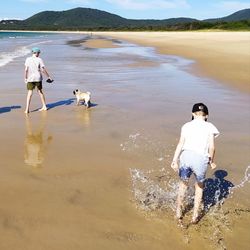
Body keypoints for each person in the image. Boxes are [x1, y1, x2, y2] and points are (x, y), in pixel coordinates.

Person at [171, 103, 219, 224]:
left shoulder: (186, 125)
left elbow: (180, 144)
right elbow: (212, 148)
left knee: (183, 184)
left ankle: (178, 212)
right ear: (206, 115)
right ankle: (195, 215)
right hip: (200, 159)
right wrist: (211, 161)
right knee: (199, 187)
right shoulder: (210, 126)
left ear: (192, 114)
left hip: (185, 156)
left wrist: (174, 160)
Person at [24, 47, 53, 114]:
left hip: (30, 78)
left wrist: (25, 78)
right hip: (38, 78)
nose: (39, 54)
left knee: (29, 93)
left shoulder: (28, 59)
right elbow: (43, 69)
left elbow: (26, 70)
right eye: (39, 53)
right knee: (40, 91)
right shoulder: (39, 59)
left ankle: (27, 109)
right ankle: (44, 106)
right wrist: (48, 77)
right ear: (36, 53)